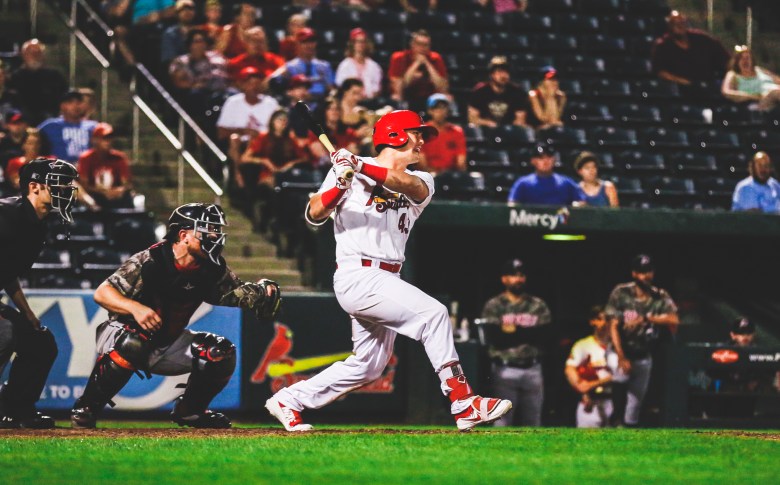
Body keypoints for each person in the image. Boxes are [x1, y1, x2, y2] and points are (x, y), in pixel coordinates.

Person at [265, 110, 512, 432]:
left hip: (386, 276)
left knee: (369, 366)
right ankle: (463, 401)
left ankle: (289, 399)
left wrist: (359, 166)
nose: (422, 140)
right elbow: (314, 214)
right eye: (416, 132)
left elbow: (405, 185)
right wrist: (340, 184)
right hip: (358, 273)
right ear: (394, 134)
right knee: (434, 314)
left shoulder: (423, 179)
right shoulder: (346, 168)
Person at [70, 203, 282, 429]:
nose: (215, 236)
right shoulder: (151, 260)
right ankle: (87, 407)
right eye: (207, 229)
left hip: (167, 341)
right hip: (121, 334)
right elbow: (103, 293)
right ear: (184, 235)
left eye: (216, 230)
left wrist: (260, 294)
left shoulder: (212, 268)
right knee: (134, 342)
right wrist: (135, 308)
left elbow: (234, 294)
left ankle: (190, 412)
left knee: (220, 352)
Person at [0, 158, 79, 428]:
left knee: (40, 343)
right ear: (34, 186)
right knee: (4, 332)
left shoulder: (38, 224)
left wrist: (28, 314)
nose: (67, 190)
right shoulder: (6, 213)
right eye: (59, 184)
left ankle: (14, 408)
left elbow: (7, 272)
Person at [606, 254, 679, 427]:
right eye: (640, 272)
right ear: (633, 273)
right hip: (619, 348)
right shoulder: (621, 292)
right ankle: (616, 417)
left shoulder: (659, 295)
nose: (644, 276)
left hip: (643, 353)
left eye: (648, 271)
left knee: (636, 400)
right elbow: (613, 325)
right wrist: (621, 356)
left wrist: (647, 318)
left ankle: (628, 428)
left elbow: (674, 319)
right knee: (620, 378)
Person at [480, 258, 551, 426]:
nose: (518, 279)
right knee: (501, 421)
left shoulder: (537, 304)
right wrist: (528, 333)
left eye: (521, 275)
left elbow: (545, 336)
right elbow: (494, 338)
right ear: (504, 279)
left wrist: (514, 331)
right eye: (513, 275)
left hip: (532, 368)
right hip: (504, 368)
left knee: (533, 421)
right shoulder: (494, 305)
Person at [239, 109, 310, 231]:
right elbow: (245, 158)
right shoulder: (264, 137)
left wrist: (291, 164)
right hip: (267, 174)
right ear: (272, 122)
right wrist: (264, 161)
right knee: (273, 189)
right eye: (280, 120)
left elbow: (304, 157)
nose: (283, 123)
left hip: (286, 175)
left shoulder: (290, 139)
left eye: (285, 121)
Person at [565, 306, 621, 428]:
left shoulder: (620, 347)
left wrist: (592, 384)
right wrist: (580, 387)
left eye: (609, 319)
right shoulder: (583, 345)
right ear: (592, 321)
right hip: (590, 401)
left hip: (614, 401)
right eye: (601, 319)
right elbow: (570, 369)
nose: (606, 323)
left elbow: (621, 374)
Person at [217, 66, 281, 168]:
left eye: (257, 84)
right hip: (240, 143)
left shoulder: (270, 102)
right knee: (234, 139)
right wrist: (244, 131)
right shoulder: (233, 102)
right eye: (250, 84)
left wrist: (260, 136)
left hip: (265, 143)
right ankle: (239, 174)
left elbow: (280, 128)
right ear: (242, 85)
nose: (254, 87)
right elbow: (221, 132)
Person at [651, 10, 729, 89]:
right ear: (669, 26)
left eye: (682, 23)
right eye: (675, 23)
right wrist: (684, 82)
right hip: (678, 89)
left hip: (708, 86)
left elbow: (724, 58)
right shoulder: (662, 46)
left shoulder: (702, 39)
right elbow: (660, 71)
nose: (679, 26)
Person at [168, 29, 228, 123]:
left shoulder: (216, 57)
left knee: (234, 95)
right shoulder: (181, 61)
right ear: (190, 45)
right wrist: (192, 85)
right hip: (199, 94)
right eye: (196, 41)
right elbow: (178, 82)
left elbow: (225, 74)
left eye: (202, 41)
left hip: (221, 91)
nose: (200, 44)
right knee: (196, 94)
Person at [7, 39, 68, 126]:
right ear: (23, 55)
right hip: (22, 123)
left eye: (38, 53)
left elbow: (64, 98)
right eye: (31, 53)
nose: (34, 56)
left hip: (50, 121)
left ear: (43, 55)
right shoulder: (14, 77)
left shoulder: (55, 76)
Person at [270, 28, 335, 107]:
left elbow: (331, 90)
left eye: (312, 41)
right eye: (305, 42)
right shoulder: (290, 67)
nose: (309, 45)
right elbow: (276, 86)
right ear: (297, 44)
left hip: (319, 106)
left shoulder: (324, 66)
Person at [76, 123, 135, 208]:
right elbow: (83, 185)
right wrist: (103, 192)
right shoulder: (86, 158)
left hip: (115, 198)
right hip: (93, 197)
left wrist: (119, 190)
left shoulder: (119, 158)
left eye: (110, 138)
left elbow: (126, 183)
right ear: (95, 140)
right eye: (104, 138)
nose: (108, 142)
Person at [388, 30, 448, 112]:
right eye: (419, 44)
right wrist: (416, 64)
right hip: (406, 96)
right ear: (412, 44)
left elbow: (443, 87)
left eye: (425, 45)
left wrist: (427, 64)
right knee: (396, 96)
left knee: (447, 97)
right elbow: (400, 87)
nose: (422, 48)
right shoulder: (399, 57)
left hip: (430, 99)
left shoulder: (436, 58)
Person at [508, 143, 584, 206]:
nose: (545, 161)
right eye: (541, 158)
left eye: (549, 157)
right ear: (533, 161)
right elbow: (512, 206)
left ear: (554, 160)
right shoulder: (523, 184)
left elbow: (582, 203)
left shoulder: (566, 183)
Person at [37, 90, 99, 164]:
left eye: (78, 102)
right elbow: (31, 137)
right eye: (70, 102)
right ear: (63, 106)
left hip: (85, 168)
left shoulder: (93, 126)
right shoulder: (50, 125)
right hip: (59, 169)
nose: (75, 106)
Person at [468, 56, 528, 128]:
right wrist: (488, 123)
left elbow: (520, 120)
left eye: (506, 72)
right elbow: (473, 119)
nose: (503, 75)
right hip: (486, 131)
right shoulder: (479, 92)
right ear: (492, 74)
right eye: (499, 71)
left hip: (509, 132)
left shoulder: (517, 92)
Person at [721, 45, 780, 112]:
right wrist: (751, 96)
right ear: (737, 61)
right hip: (759, 102)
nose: (745, 61)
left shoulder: (759, 70)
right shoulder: (733, 74)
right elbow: (726, 92)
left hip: (776, 98)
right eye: (741, 58)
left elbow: (777, 80)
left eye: (747, 58)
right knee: (775, 92)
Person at [419, 93, 466, 174]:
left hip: (451, 175)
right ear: (430, 111)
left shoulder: (457, 132)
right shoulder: (422, 132)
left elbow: (461, 163)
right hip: (429, 175)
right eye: (436, 108)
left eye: (443, 108)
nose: (440, 111)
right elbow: (421, 163)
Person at [335, 28, 383, 99]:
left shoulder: (374, 66)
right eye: (358, 41)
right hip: (349, 101)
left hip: (369, 101)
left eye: (363, 42)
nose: (361, 44)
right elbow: (340, 85)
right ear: (352, 44)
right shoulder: (345, 65)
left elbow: (377, 88)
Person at [5, 128, 48, 193]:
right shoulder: (15, 163)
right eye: (30, 143)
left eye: (37, 143)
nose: (34, 147)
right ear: (23, 145)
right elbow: (18, 184)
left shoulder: (48, 161)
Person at [160, 0, 197, 65]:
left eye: (190, 9)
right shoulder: (170, 34)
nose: (187, 12)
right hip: (179, 69)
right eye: (183, 9)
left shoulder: (199, 31)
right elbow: (170, 59)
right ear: (177, 14)